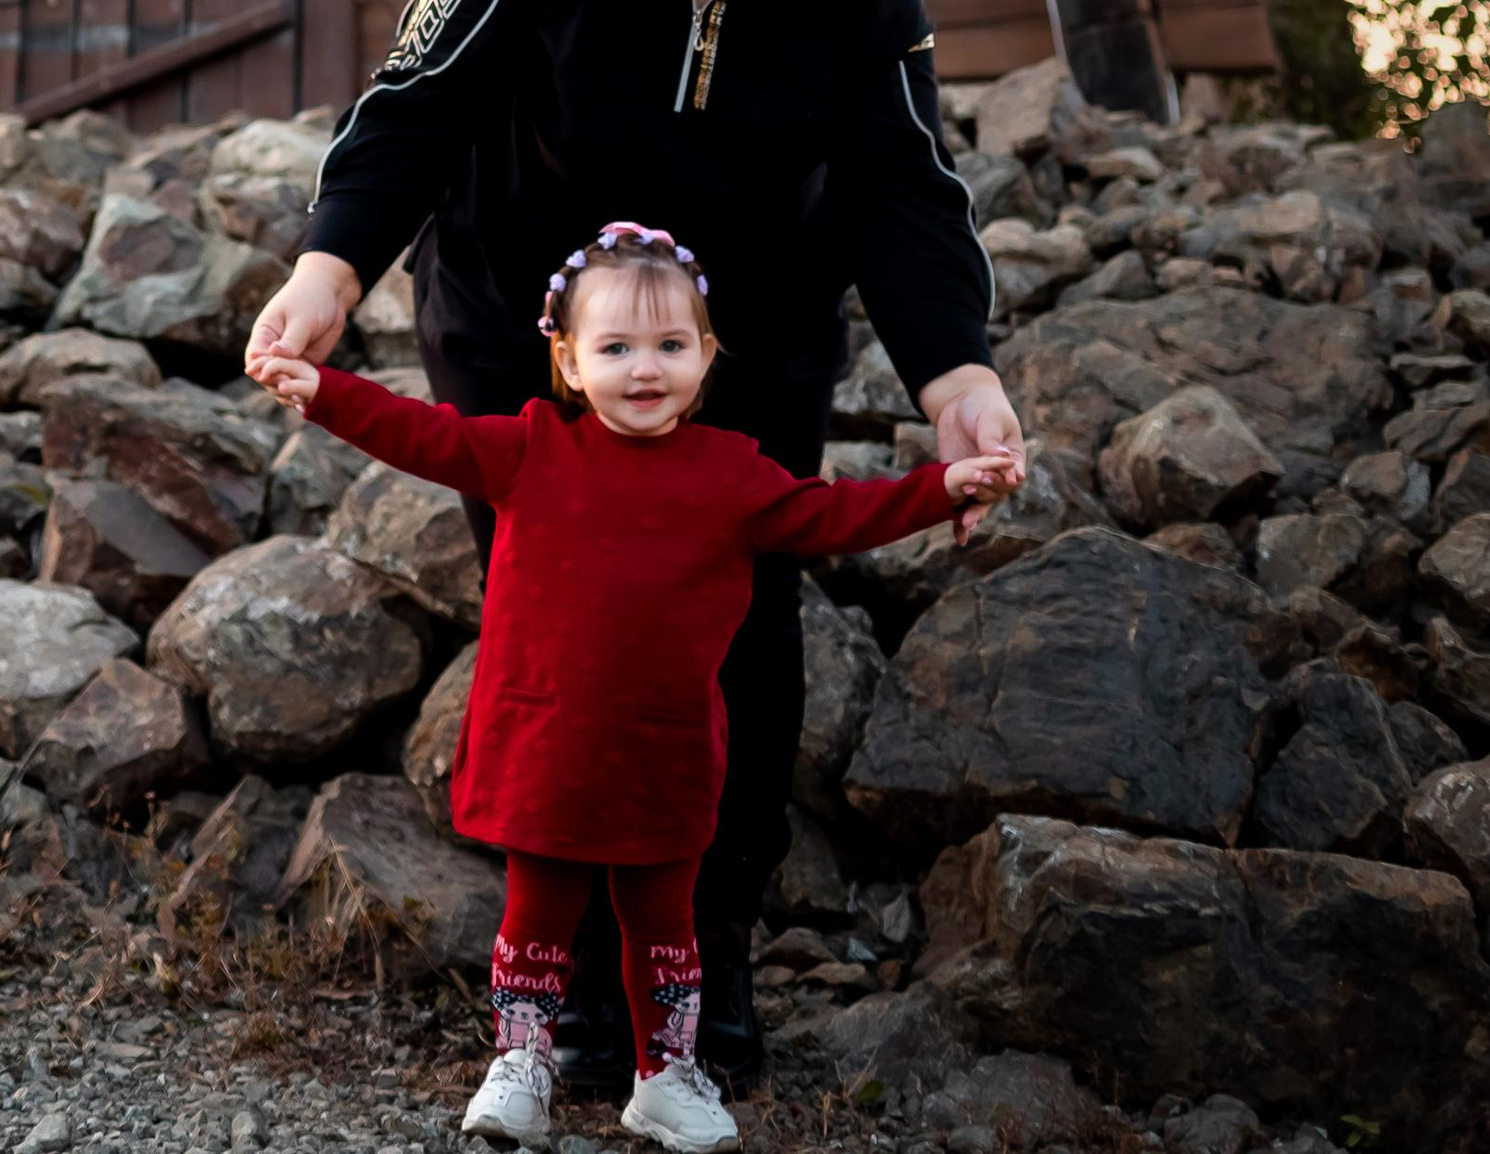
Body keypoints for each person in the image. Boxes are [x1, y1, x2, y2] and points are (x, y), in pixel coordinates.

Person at [243, 0, 1024, 1094]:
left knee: (735, 627)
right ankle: (569, 974)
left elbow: (904, 184)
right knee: (568, 621)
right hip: (526, 325)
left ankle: (698, 956)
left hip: (747, 339)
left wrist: (954, 373)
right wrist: (331, 266)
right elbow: (414, 90)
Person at [253, 224, 1016, 1152]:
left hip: (666, 746)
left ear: (706, 355)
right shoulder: (529, 448)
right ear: (568, 360)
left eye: (670, 345)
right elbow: (420, 432)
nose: (644, 368)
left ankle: (665, 1075)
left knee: (665, 925)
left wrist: (945, 486)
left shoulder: (732, 473)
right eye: (615, 348)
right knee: (538, 916)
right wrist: (323, 389)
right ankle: (524, 1061)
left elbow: (834, 513)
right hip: (547, 743)